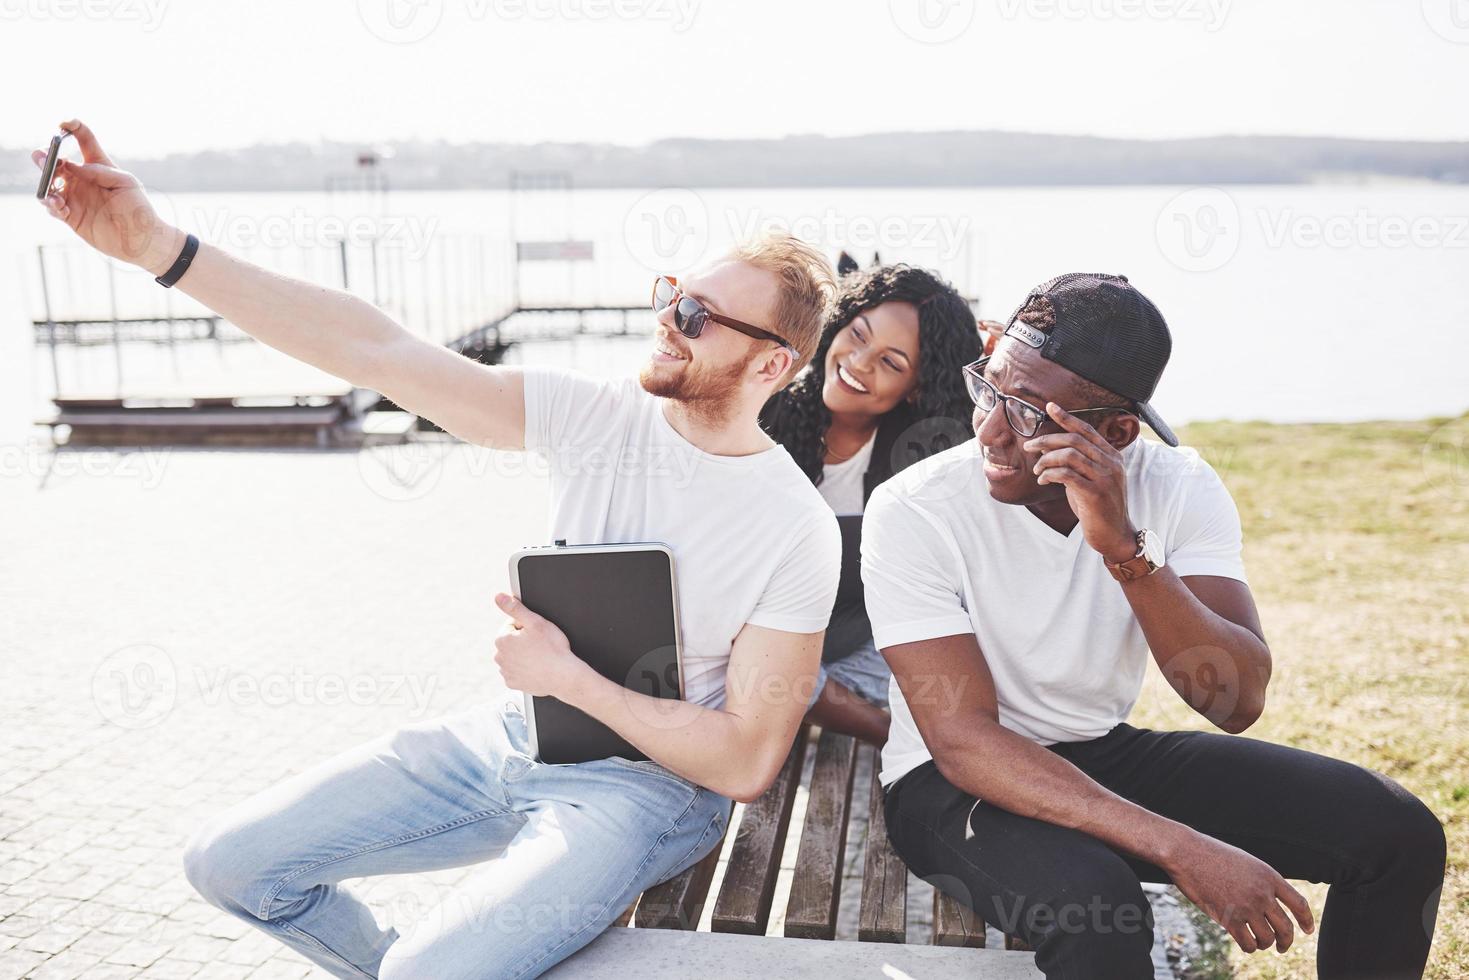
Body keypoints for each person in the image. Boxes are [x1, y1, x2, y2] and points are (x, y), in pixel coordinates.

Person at [35, 120, 842, 979]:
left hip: (649, 789)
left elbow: (747, 760)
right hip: (510, 734)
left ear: (770, 366)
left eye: (695, 316)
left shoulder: (794, 529)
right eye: (670, 295)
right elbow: (374, 348)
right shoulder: (595, 417)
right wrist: (163, 248)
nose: (665, 321)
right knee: (228, 864)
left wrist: (569, 679)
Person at [863, 273, 1446, 978]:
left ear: (1114, 432)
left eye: (1024, 411)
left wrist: (1122, 550)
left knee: (1396, 835)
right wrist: (1181, 846)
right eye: (988, 387)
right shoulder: (915, 509)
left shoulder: (1175, 486)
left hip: (1095, 750)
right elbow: (964, 744)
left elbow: (1233, 702)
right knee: (1095, 907)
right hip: (947, 785)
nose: (986, 427)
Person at [759, 262, 986, 745]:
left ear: (918, 386)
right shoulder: (764, 409)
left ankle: (826, 706)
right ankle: (887, 732)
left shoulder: (918, 457)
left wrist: (1000, 374)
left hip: (853, 653)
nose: (858, 362)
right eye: (857, 334)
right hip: (750, 642)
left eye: (891, 363)